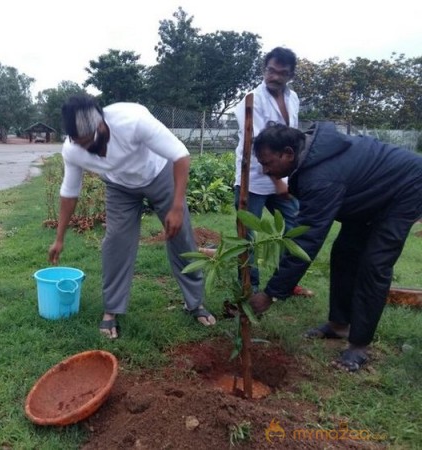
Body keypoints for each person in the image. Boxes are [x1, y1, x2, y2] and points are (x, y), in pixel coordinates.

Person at [248, 122, 422, 372]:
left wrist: (271, 293)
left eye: (267, 163)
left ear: (288, 153)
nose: (265, 171)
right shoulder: (313, 157)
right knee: (344, 253)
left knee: (374, 264)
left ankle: (359, 346)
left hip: (405, 188)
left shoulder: (322, 177)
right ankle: (339, 325)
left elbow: (307, 240)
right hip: (366, 194)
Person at [48, 95, 216, 339]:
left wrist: (177, 207)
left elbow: (181, 155)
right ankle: (111, 310)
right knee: (116, 242)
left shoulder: (132, 120)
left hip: (159, 174)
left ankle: (195, 302)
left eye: (89, 140)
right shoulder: (73, 150)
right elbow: (69, 192)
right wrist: (59, 238)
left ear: (101, 125)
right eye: (80, 143)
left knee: (182, 238)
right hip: (119, 186)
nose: (87, 148)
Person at [228, 46, 313, 297]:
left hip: (284, 177)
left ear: (290, 75)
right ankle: (250, 286)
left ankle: (286, 281)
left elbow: (291, 140)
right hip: (254, 176)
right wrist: (277, 180)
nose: (273, 76)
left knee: (296, 226)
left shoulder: (292, 97)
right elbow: (258, 147)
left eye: (281, 72)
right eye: (270, 70)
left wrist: (287, 178)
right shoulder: (251, 100)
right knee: (248, 236)